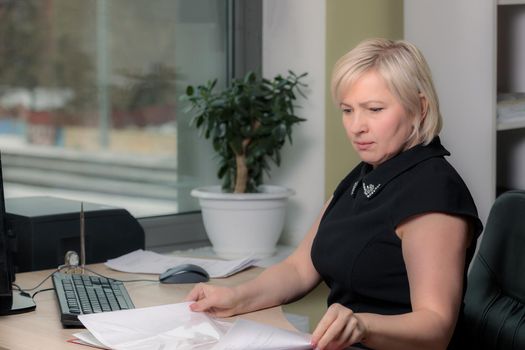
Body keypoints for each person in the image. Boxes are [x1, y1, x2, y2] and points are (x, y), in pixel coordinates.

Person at [185, 38, 483, 350]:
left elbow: (436, 326)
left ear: (419, 108)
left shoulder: (433, 194)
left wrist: (361, 324)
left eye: (374, 109)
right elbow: (299, 269)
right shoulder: (368, 174)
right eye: (347, 110)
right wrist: (234, 297)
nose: (357, 126)